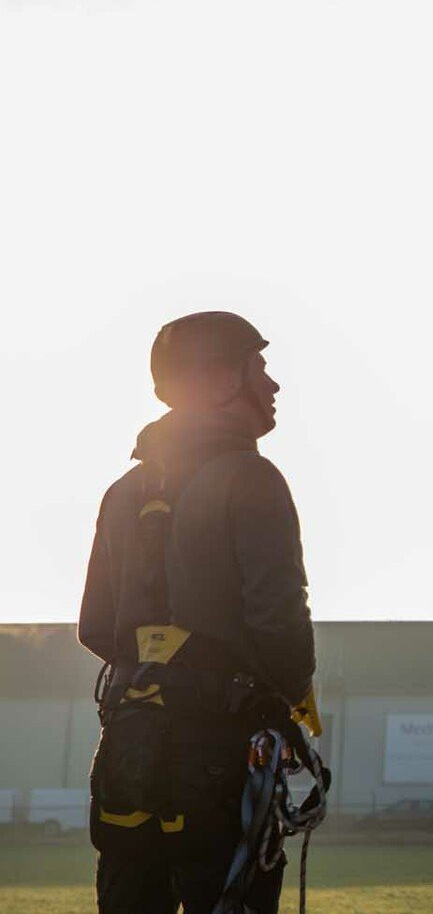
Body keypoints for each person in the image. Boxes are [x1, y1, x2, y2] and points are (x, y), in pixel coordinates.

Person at [80, 311, 317, 914]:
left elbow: (95, 627)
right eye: (258, 367)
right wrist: (278, 700)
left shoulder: (122, 492)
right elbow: (281, 623)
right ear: (217, 382)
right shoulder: (253, 480)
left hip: (128, 752)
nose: (273, 385)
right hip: (218, 761)